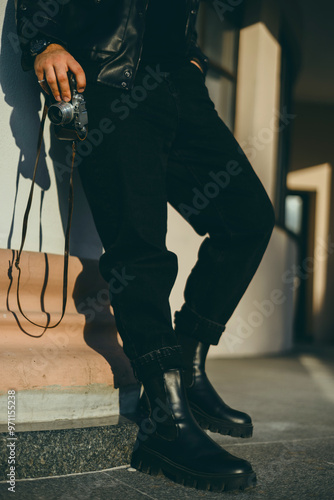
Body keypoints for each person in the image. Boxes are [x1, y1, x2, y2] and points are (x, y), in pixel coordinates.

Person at [16, 0, 275, 492]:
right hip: (110, 83)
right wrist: (42, 43)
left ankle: (190, 369)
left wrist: (193, 59)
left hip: (182, 88)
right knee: (140, 248)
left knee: (248, 218)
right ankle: (165, 418)